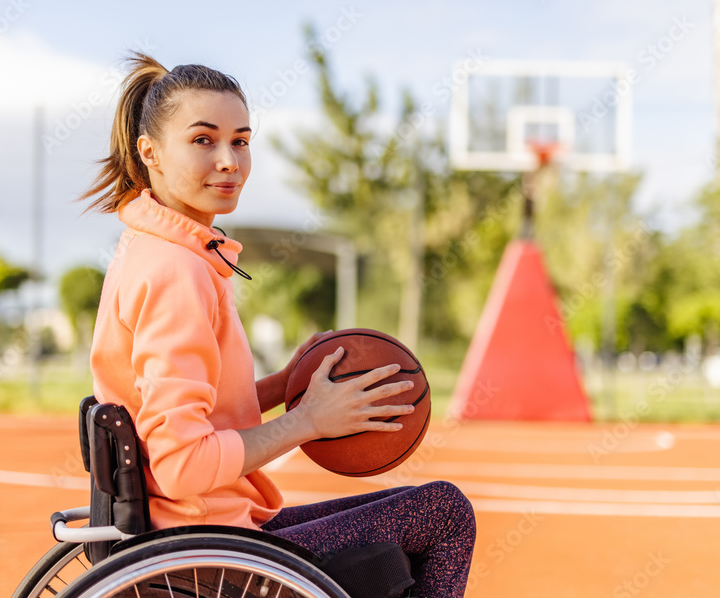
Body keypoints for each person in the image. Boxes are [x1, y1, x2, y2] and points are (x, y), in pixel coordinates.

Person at [79, 51, 476, 597]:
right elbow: (180, 464)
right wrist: (308, 421)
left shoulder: (157, 251)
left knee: (425, 513)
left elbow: (197, 409)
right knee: (444, 514)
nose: (229, 160)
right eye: (203, 140)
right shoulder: (177, 270)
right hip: (209, 548)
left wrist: (286, 383)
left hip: (201, 531)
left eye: (240, 140)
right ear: (150, 153)